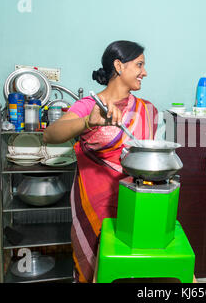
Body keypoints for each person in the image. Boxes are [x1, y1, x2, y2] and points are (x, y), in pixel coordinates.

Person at [43, 40, 158, 283]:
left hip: (136, 204)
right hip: (95, 206)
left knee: (133, 272)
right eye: (139, 65)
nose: (145, 72)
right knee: (98, 270)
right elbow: (50, 135)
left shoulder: (147, 110)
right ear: (119, 65)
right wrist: (88, 122)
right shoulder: (89, 106)